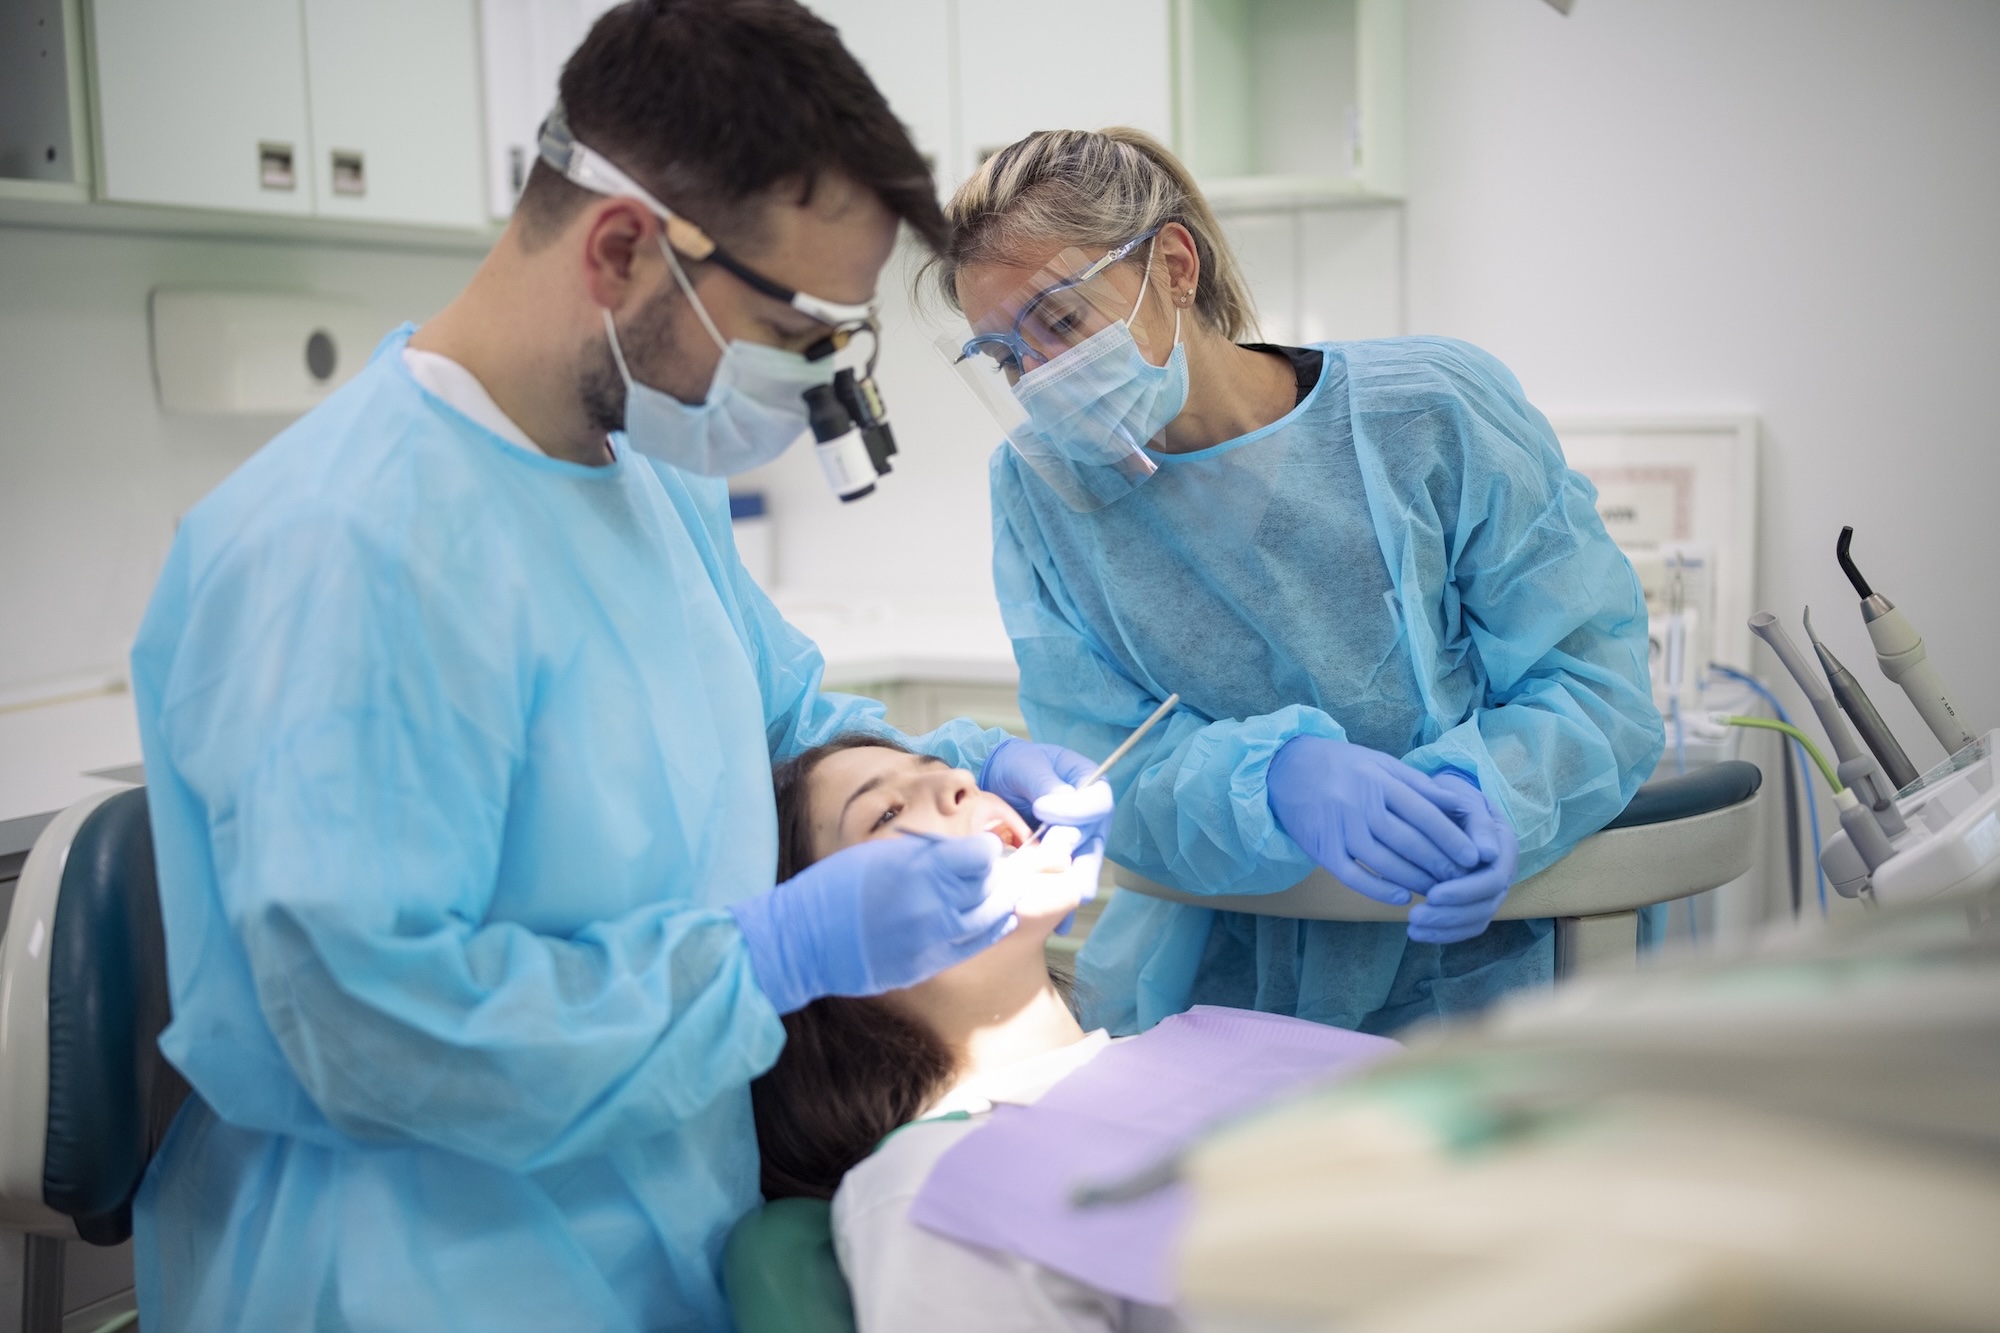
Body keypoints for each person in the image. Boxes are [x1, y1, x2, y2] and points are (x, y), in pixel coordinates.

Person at [125, 5, 1109, 1329]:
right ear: (624, 248)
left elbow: (777, 719)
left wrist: (969, 764)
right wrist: (769, 958)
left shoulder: (646, 472)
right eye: (802, 329)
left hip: (660, 1218)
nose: (821, 380)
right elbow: (380, 1033)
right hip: (436, 1268)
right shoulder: (345, 554)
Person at [931, 128, 1664, 1038]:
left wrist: (1490, 794)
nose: (1039, 377)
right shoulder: (1042, 491)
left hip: (1486, 970)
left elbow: (1596, 684)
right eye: (1005, 356)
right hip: (1222, 990)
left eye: (1061, 322)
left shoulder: (1427, 410)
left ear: (1173, 263)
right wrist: (1271, 779)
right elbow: (1109, 763)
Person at [750, 736, 1177, 1333]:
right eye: (886, 814)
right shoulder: (936, 1186)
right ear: (823, 956)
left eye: (943, 770)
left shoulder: (1190, 1052)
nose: (958, 778)